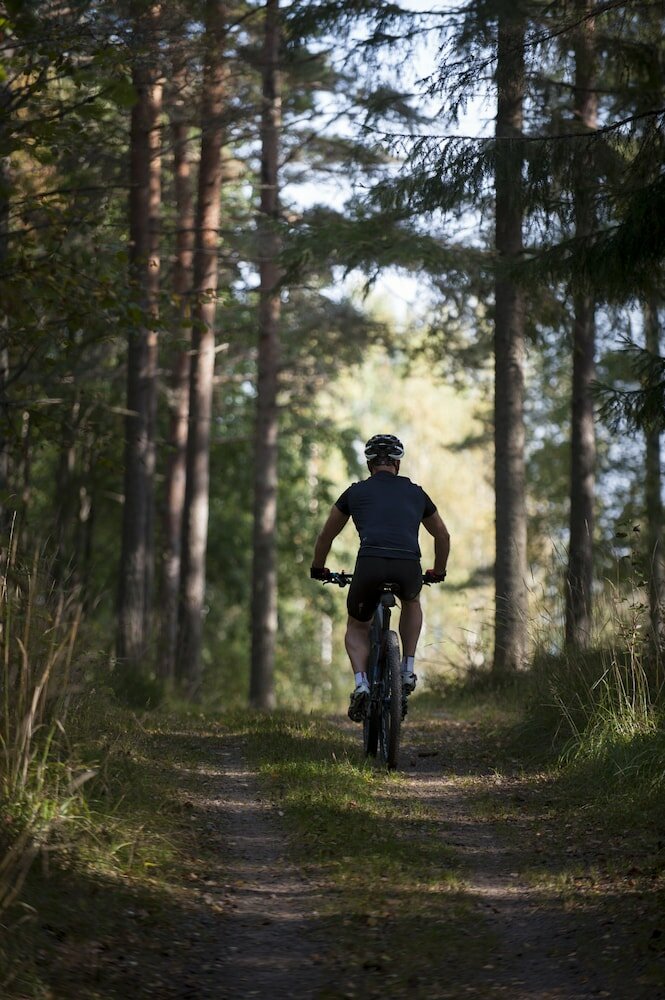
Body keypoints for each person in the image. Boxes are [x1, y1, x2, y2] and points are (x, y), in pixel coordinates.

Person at [310, 433, 450, 722]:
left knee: (357, 625)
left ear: (369, 463)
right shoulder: (416, 493)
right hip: (408, 565)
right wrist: (438, 570)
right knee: (412, 602)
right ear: (397, 463)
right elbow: (442, 535)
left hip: (369, 565)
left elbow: (326, 535)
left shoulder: (354, 492)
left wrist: (318, 568)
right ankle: (408, 667)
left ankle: (361, 683)